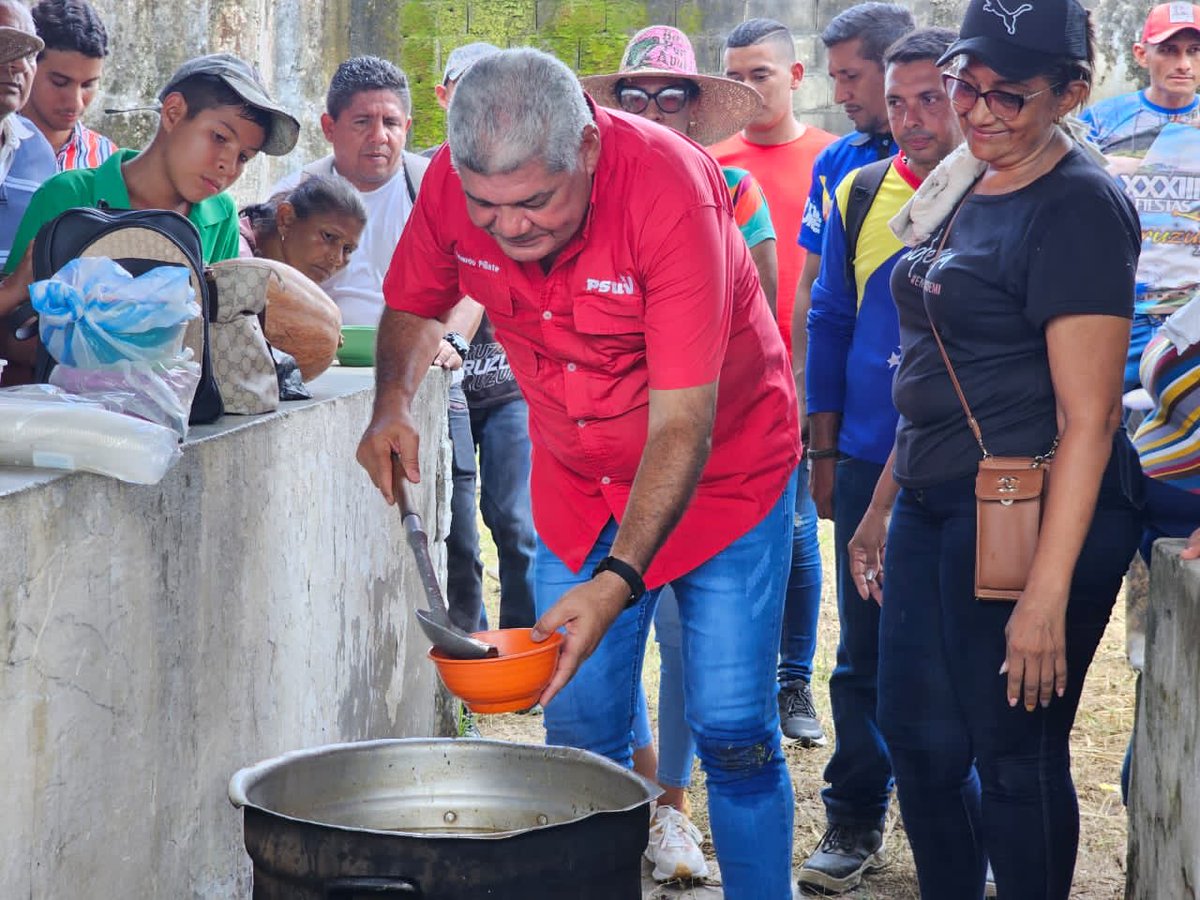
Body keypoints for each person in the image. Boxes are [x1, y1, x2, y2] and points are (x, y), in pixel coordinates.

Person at [357, 48, 801, 899]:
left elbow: (683, 427)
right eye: (486, 206)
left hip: (724, 479)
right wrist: (391, 405)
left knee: (735, 728)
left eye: (534, 202)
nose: (509, 227)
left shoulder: (673, 188)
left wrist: (617, 581)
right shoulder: (459, 182)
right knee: (580, 737)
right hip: (577, 480)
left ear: (588, 150)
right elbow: (416, 298)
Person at [849, 0, 1143, 896]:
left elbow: (1089, 418)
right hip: (937, 496)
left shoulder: (1080, 206)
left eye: (1007, 96)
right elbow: (939, 359)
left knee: (1013, 753)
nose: (976, 112)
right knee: (920, 742)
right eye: (962, 86)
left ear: (1071, 94)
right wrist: (881, 505)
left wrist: (1046, 596)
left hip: (1035, 507)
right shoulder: (964, 178)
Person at [581, 23, 777, 881]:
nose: (656, 111)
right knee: (600, 648)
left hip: (715, 452)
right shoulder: (585, 196)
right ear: (616, 107)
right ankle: (643, 801)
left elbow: (759, 316)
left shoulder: (735, 192)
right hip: (605, 461)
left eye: (672, 97)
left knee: (698, 652)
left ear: (697, 110)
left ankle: (676, 804)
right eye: (637, 96)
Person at [800, 26, 963, 895]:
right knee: (863, 651)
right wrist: (824, 447)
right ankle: (856, 811)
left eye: (931, 98)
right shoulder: (860, 189)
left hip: (968, 467)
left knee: (962, 649)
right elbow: (829, 321)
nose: (912, 119)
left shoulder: (1003, 193)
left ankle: (964, 820)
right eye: (897, 102)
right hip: (865, 456)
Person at [274, 56, 487, 644]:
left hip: (430, 377)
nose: (380, 136)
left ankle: (470, 650)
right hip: (329, 386)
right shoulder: (294, 198)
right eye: (363, 121)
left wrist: (453, 338)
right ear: (328, 127)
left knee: (459, 523)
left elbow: (477, 277)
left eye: (391, 121)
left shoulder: (436, 187)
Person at [0, 52, 298, 383]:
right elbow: (8, 333)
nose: (229, 165)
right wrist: (106, 351)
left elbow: (212, 337)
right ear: (173, 112)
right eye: (219, 137)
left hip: (171, 414)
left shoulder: (220, 215)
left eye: (244, 156)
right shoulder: (68, 195)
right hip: (63, 413)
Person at [710, 19, 834, 749]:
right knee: (746, 536)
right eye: (734, 74)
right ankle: (746, 678)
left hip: (803, 376)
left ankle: (793, 678)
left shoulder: (832, 158)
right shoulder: (713, 165)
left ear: (795, 77)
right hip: (727, 387)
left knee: (795, 533)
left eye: (760, 72)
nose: (746, 87)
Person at [431, 41, 539, 635]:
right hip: (439, 385)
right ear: (444, 96)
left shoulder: (526, 175)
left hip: (508, 384)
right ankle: (466, 654)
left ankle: (523, 645)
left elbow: (486, 271)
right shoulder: (424, 175)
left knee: (517, 524)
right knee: (456, 529)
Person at [1080, 3, 1200, 391]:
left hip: (1192, 317)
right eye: (1169, 50)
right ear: (1141, 54)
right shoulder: (1100, 123)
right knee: (1105, 425)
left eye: (1194, 51)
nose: (1183, 63)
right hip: (1117, 313)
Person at [26, 0, 116, 171]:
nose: (76, 103)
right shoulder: (5, 144)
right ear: (28, 66)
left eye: (88, 85)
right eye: (60, 83)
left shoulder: (106, 161)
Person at [0, 1, 55, 276]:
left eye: (31, 53)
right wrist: (10, 292)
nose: (20, 64)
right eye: (6, 43)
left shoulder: (38, 150)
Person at [239, 173, 366, 285]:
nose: (337, 259)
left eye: (348, 249)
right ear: (286, 219)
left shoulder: (284, 279)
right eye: (328, 236)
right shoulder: (237, 256)